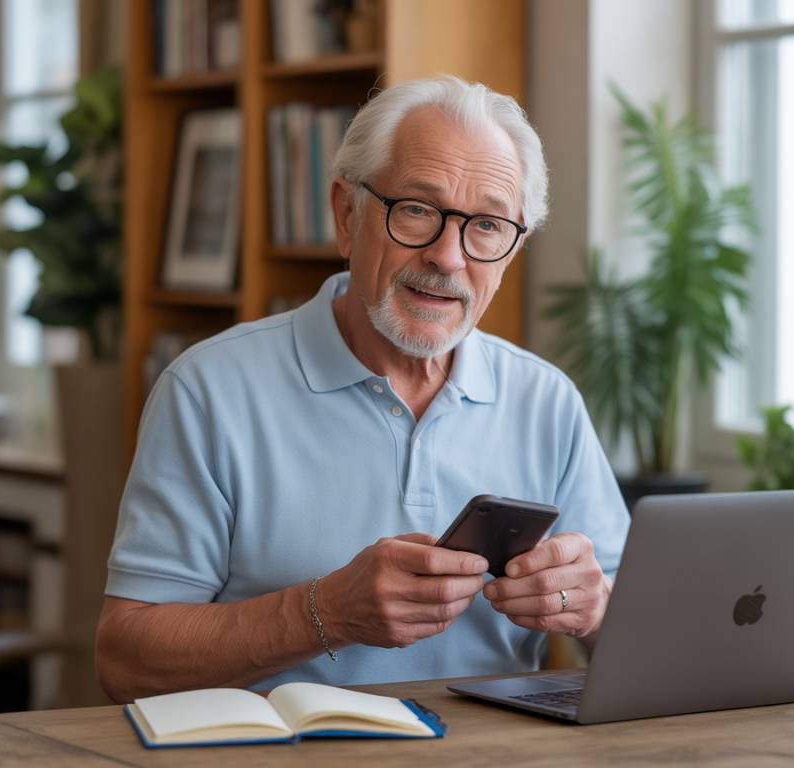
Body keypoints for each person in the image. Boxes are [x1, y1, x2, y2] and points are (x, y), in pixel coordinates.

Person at [96, 76, 629, 703]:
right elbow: (125, 663)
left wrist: (592, 609)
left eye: (485, 225)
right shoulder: (208, 389)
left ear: (512, 249)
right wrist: (324, 613)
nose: (448, 258)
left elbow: (639, 636)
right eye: (417, 210)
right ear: (347, 215)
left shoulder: (548, 400)